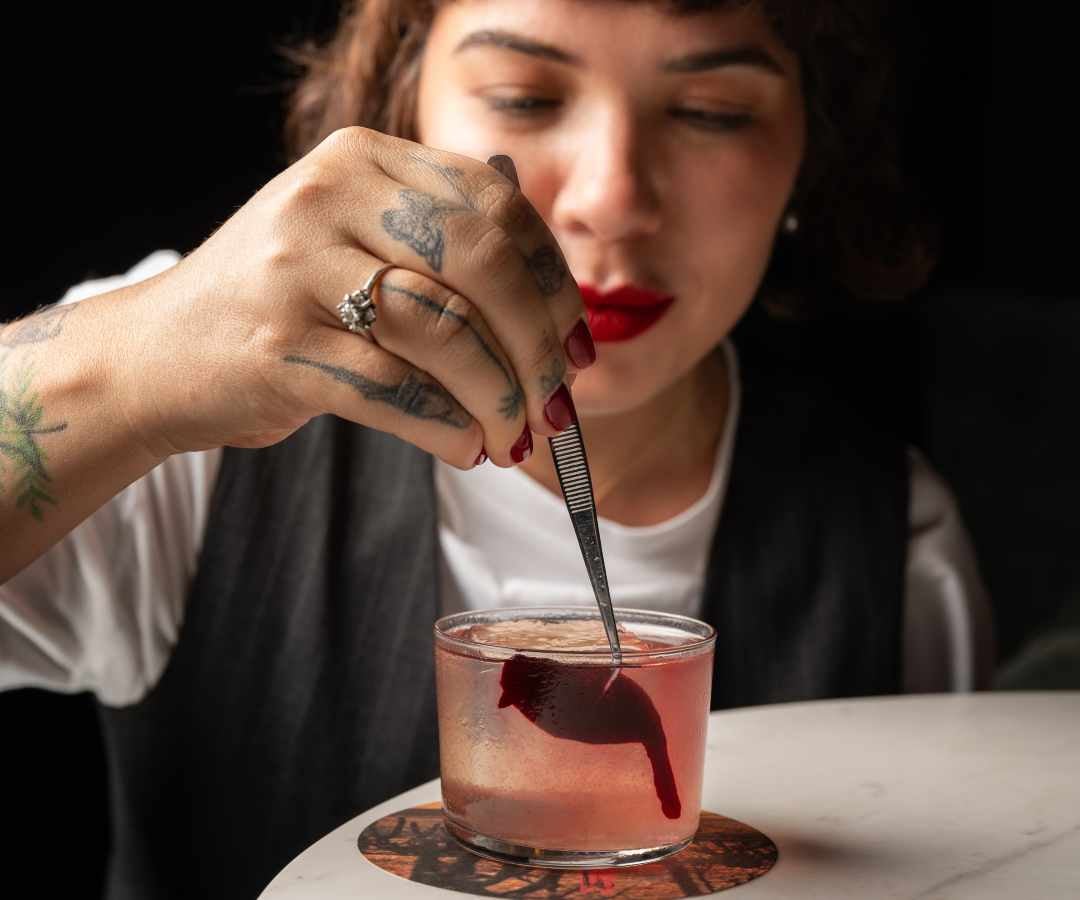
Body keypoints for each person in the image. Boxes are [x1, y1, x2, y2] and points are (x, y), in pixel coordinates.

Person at [0, 1, 993, 897]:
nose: (611, 197)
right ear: (401, 112)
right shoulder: (182, 443)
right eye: (525, 95)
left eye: (712, 112)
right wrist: (135, 365)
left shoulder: (896, 545)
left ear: (806, 160)